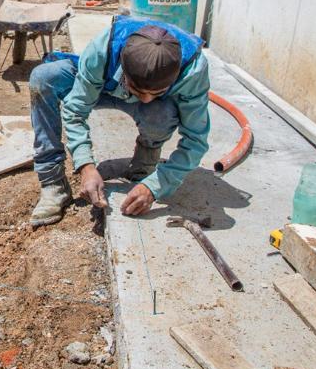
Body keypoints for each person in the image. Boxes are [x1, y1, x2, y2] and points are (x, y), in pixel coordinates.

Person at [27, 17, 210, 227]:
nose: (146, 99)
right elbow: (75, 111)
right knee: (43, 78)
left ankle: (144, 166)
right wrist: (86, 166)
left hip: (150, 100)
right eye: (139, 90)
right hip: (106, 85)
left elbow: (196, 140)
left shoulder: (193, 71)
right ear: (123, 67)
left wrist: (154, 186)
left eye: (156, 92)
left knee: (161, 112)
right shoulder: (104, 49)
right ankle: (53, 183)